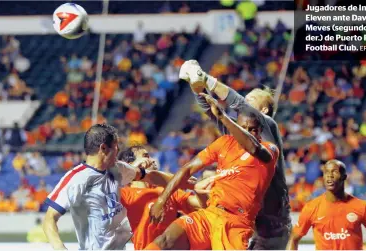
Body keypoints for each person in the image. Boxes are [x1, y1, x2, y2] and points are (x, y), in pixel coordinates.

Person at [180, 59, 291, 249]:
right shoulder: (236, 135)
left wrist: (206, 78)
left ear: (263, 110)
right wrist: (195, 84)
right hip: (247, 221)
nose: (242, 105)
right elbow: (210, 109)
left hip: (272, 226)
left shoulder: (267, 125)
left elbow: (240, 105)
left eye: (249, 102)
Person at [146, 94, 279, 250]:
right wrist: (161, 200)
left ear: (260, 130)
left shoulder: (269, 149)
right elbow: (188, 168)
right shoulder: (224, 143)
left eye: (253, 130)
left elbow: (252, 146)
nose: (248, 133)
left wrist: (222, 117)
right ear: (237, 126)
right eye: (243, 128)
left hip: (236, 223)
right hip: (210, 214)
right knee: (165, 240)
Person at [43, 124, 186, 250]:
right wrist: (60, 248)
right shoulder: (76, 179)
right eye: (116, 146)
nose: (118, 150)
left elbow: (150, 175)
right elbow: (49, 219)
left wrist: (184, 179)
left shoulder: (117, 168)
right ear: (103, 148)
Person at [118, 145, 213, 250]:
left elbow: (203, 205)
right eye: (146, 156)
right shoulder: (124, 194)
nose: (152, 160)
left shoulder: (167, 191)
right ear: (130, 164)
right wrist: (133, 170)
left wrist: (196, 186)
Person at [286, 160, 366, 250]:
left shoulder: (361, 206)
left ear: (344, 176)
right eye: (326, 172)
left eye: (334, 172)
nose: (329, 176)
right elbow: (293, 239)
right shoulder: (311, 207)